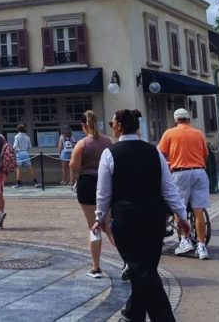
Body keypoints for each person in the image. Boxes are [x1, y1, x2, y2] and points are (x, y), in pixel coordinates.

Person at [93, 110, 188, 322]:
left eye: (112, 123)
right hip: (154, 216)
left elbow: (103, 192)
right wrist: (182, 216)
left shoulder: (110, 153)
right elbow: (168, 188)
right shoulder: (153, 152)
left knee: (140, 269)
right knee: (146, 267)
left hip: (126, 216)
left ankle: (163, 318)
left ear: (118, 127)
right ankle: (134, 312)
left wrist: (99, 217)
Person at [158, 108, 211, 260]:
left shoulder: (169, 133)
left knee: (179, 208)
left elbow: (160, 155)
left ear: (176, 120)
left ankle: (184, 240)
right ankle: (201, 246)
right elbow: (205, 155)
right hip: (199, 172)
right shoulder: (198, 133)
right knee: (198, 210)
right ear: (189, 119)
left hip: (180, 173)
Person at [68, 110, 114, 278]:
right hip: (106, 183)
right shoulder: (109, 141)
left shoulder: (82, 143)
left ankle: (95, 267)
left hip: (87, 184)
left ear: (83, 126)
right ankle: (127, 261)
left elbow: (73, 165)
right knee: (107, 226)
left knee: (93, 227)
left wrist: (73, 179)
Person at [11, 124, 40, 189]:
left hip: (19, 153)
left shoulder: (16, 136)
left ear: (18, 129)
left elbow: (15, 145)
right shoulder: (27, 137)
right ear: (24, 129)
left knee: (19, 169)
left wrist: (12, 150)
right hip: (26, 153)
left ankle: (19, 184)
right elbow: (30, 147)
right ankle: (35, 182)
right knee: (30, 167)